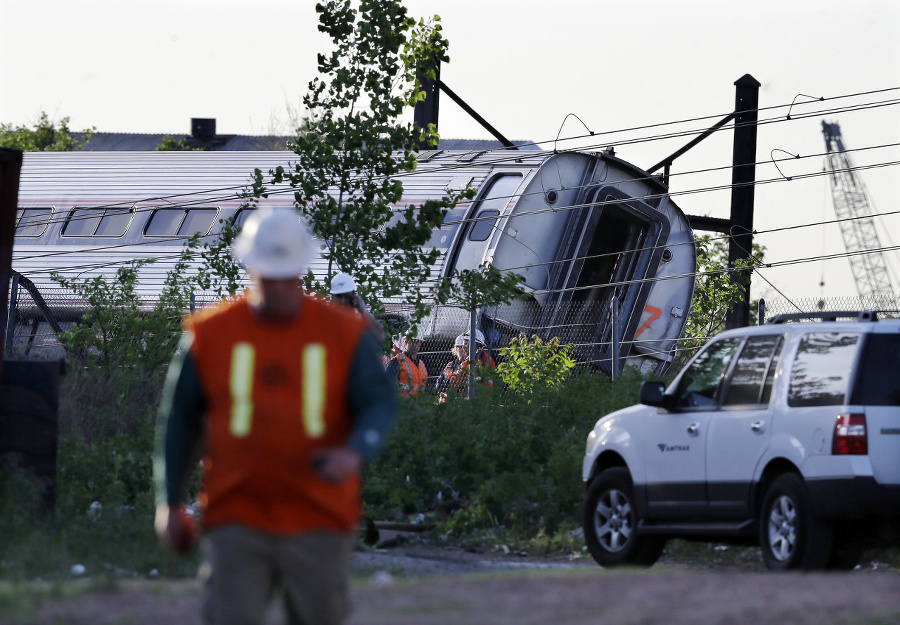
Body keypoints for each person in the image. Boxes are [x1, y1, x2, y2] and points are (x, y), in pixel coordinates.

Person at [154, 208, 397, 625]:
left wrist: (355, 453)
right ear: (251, 268)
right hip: (237, 514)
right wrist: (169, 502)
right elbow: (179, 420)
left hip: (318, 515)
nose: (280, 286)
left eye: (288, 275)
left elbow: (380, 404)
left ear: (302, 271)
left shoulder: (342, 334)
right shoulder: (210, 335)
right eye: (270, 274)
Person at [329, 272, 386, 344]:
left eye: (347, 296)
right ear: (333, 297)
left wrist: (364, 312)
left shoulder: (361, 316)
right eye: (339, 296)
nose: (343, 301)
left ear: (353, 295)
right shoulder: (326, 316)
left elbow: (380, 336)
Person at [442, 329, 496, 394]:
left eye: (466, 343)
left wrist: (479, 353)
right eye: (464, 343)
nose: (464, 347)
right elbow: (454, 382)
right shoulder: (465, 363)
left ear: (475, 345)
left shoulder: (485, 360)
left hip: (482, 399)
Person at [385, 326, 428, 396]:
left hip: (418, 404)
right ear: (406, 342)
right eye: (412, 342)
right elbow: (386, 384)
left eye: (417, 342)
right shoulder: (397, 361)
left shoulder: (422, 364)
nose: (414, 345)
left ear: (420, 344)